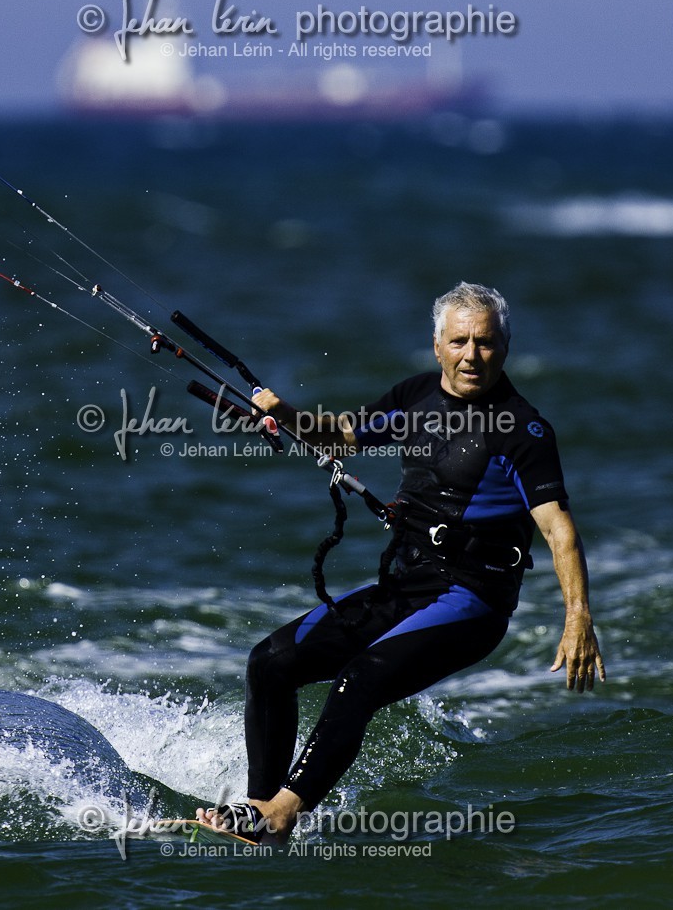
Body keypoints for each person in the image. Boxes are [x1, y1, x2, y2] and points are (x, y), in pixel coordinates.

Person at [198, 282, 604, 841]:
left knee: (357, 678)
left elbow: (559, 528)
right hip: (409, 583)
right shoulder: (416, 396)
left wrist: (578, 615)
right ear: (437, 345)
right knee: (269, 662)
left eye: (485, 343)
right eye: (459, 341)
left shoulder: (523, 430)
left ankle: (286, 812)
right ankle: (258, 807)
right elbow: (341, 437)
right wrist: (286, 415)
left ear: (504, 350)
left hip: (473, 599)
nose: (471, 355)